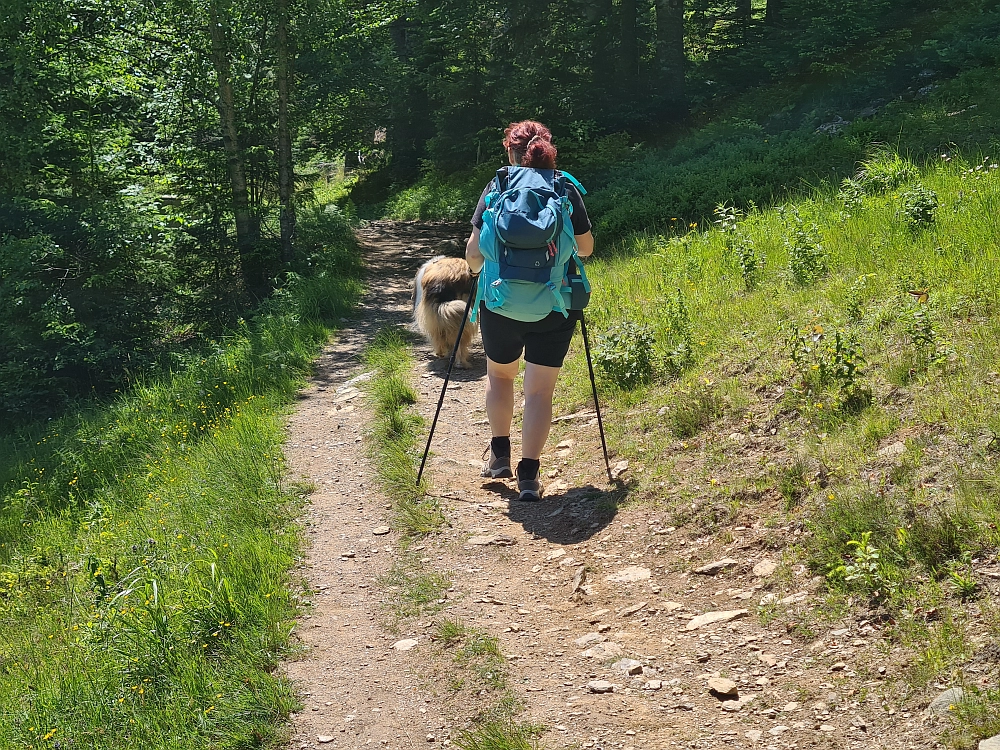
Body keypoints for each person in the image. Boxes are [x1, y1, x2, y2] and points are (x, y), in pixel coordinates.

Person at [465, 120, 595, 501]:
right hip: (554, 305)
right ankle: (529, 476)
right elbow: (585, 249)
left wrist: (476, 272)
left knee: (500, 377)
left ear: (511, 151)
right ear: (547, 149)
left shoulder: (498, 186)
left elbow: (474, 253)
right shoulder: (564, 187)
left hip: (500, 302)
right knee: (539, 392)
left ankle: (499, 455)